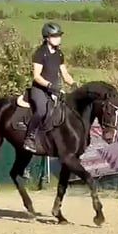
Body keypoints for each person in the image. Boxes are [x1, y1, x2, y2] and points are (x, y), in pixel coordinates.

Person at [23, 22, 78, 153]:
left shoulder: (59, 54)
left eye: (59, 36)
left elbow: (64, 74)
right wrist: (50, 85)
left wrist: (75, 85)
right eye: (55, 36)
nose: (58, 38)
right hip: (40, 89)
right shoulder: (40, 53)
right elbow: (36, 76)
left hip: (55, 89)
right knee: (42, 111)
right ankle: (29, 138)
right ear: (47, 38)